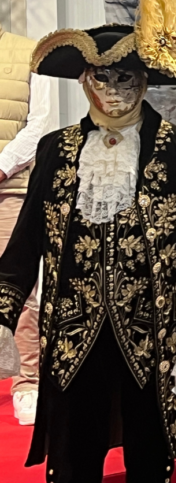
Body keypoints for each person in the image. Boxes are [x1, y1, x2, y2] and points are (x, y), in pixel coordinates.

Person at [0, 0, 176, 480]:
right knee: (75, 453)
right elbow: (28, 239)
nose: (112, 89)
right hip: (73, 331)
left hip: (154, 334)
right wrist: (3, 308)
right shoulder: (54, 151)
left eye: (124, 77)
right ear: (84, 81)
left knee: (150, 456)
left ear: (145, 80)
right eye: (100, 77)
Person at [0, 24, 55, 426]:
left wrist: (1, 168)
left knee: (17, 287)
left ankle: (27, 383)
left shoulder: (30, 52)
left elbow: (38, 124)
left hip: (12, 188)